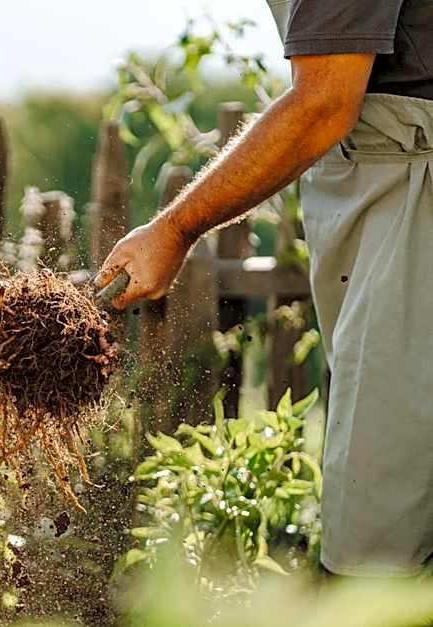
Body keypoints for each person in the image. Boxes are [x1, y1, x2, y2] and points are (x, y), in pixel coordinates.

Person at [94, 1, 433, 578]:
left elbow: (325, 100)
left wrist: (175, 228)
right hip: (392, 178)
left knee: (382, 531)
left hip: (414, 191)